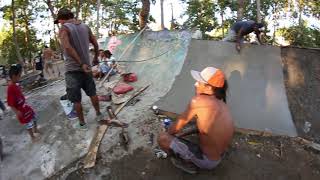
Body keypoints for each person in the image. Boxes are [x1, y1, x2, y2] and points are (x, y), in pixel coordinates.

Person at [157, 67, 234, 174]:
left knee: (162, 138)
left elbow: (172, 130)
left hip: (208, 161)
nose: (195, 84)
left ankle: (187, 165)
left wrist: (171, 135)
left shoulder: (198, 102)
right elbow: (204, 127)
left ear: (209, 88)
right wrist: (182, 134)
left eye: (199, 82)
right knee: (194, 126)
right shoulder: (221, 104)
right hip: (219, 154)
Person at [55, 8, 102, 130]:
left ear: (61, 19)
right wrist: (96, 57)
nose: (60, 23)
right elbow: (96, 44)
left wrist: (81, 64)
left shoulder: (64, 28)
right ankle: (98, 114)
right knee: (92, 93)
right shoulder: (85, 27)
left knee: (76, 100)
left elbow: (67, 47)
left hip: (72, 71)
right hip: (87, 68)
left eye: (59, 21)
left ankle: (82, 123)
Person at [7, 64, 40, 142]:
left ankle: (35, 129)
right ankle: (32, 137)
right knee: (28, 124)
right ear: (14, 76)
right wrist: (17, 112)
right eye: (19, 76)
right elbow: (10, 103)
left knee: (34, 116)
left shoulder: (15, 84)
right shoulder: (10, 88)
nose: (20, 77)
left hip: (25, 106)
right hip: (20, 110)